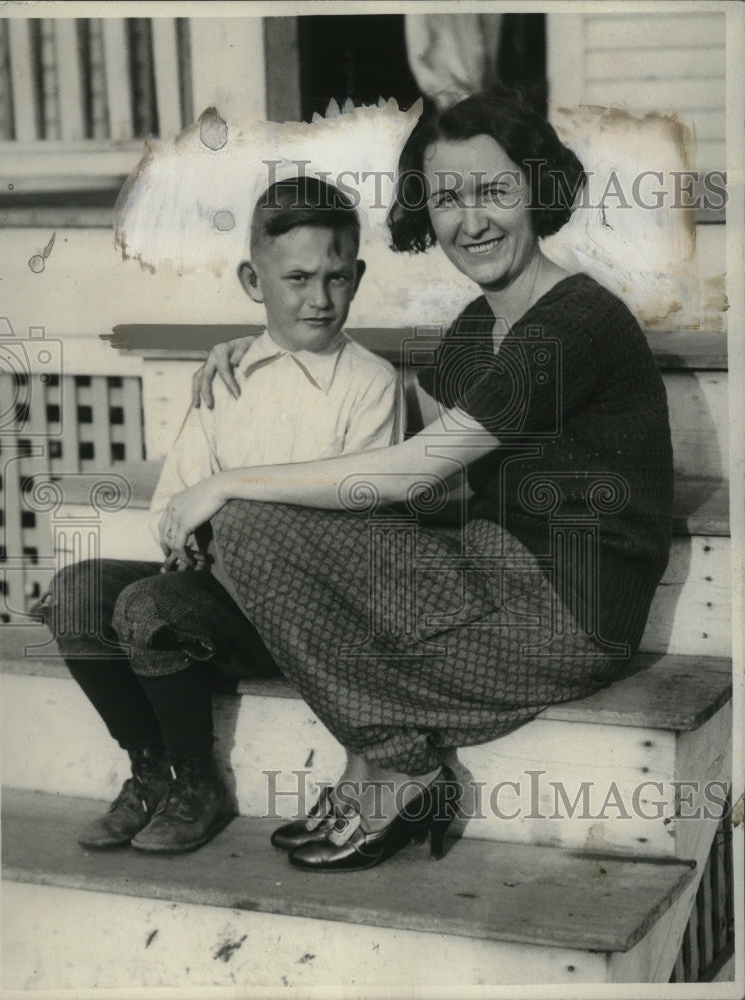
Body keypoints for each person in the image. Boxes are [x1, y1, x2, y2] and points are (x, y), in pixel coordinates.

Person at [182, 90, 674, 872]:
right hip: (487, 571)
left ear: (539, 188)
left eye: (493, 191)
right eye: (446, 198)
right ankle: (387, 759)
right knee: (255, 526)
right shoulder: (478, 329)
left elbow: (412, 469)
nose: (469, 221)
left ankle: (393, 765)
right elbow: (409, 467)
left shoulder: (575, 323)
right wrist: (254, 350)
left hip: (568, 612)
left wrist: (223, 481)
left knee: (241, 514)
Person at [35, 176, 404, 854]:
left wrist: (226, 505)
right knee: (77, 591)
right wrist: (184, 537)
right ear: (251, 279)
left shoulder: (371, 384)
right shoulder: (229, 378)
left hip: (301, 614)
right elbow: (173, 503)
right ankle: (153, 769)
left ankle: (199, 785)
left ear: (358, 274)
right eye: (296, 277)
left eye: (337, 277)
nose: (319, 299)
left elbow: (355, 517)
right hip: (213, 599)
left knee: (151, 604)